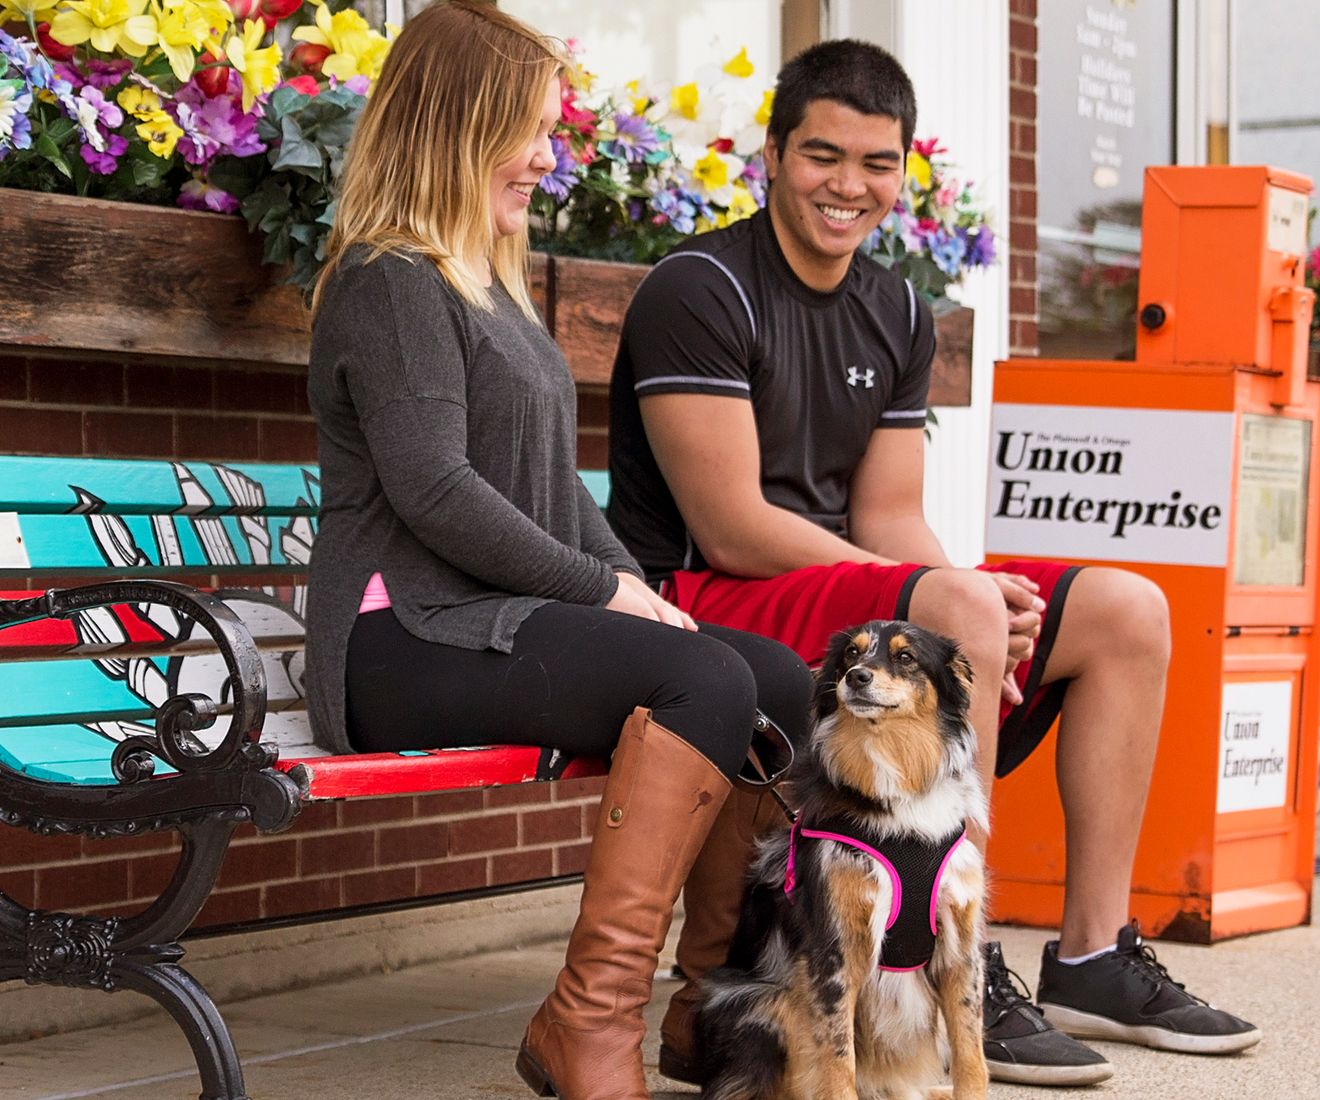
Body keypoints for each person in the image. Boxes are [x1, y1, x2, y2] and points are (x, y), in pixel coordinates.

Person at [607, 37, 1262, 1089]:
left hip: (844, 590)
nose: (849, 186)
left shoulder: (900, 306)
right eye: (824, 155)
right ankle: (959, 946)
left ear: (905, 170)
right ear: (771, 155)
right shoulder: (700, 287)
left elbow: (892, 512)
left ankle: (1092, 949)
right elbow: (729, 523)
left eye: (877, 163)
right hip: (704, 600)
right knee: (952, 596)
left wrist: (977, 608)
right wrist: (933, 604)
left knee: (1125, 608)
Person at [302, 6, 813, 1099]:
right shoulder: (391, 280)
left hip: (485, 618)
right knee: (703, 675)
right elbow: (436, 489)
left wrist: (628, 585)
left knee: (774, 679)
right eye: (528, 130)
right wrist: (601, 593)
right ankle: (586, 1022)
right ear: (456, 125)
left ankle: (709, 1006)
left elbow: (550, 493)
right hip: (399, 632)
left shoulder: (485, 280)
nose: (547, 155)